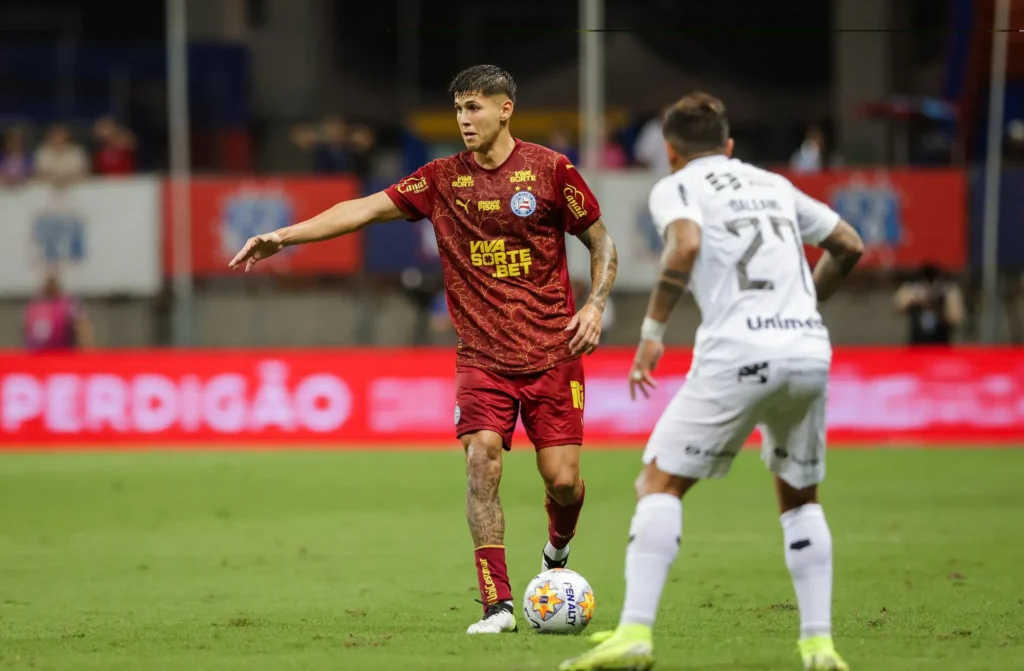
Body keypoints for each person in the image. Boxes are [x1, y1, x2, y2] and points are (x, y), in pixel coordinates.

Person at [229, 65, 618, 635]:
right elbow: (362, 208)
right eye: (459, 109)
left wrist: (596, 305)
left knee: (562, 481)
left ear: (505, 108)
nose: (464, 119)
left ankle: (556, 552)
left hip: (553, 353)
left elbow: (601, 241)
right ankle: (497, 605)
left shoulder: (550, 170)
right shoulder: (440, 179)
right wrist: (283, 237)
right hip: (481, 358)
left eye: (474, 107)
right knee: (481, 459)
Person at [560, 92, 864, 671]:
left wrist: (652, 331)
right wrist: (805, 303)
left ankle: (634, 634)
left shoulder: (677, 186)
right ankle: (819, 646)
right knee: (800, 498)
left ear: (671, 151)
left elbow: (686, 243)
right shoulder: (775, 184)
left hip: (738, 351)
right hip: (807, 349)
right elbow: (849, 244)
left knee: (658, 483)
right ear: (728, 144)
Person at [893, 263, 965, 346]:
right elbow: (898, 305)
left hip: (940, 341)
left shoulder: (948, 290)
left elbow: (956, 316)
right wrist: (917, 301)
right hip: (917, 342)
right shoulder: (912, 289)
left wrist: (940, 307)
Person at [23, 272, 94, 352]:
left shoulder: (68, 303)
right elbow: (27, 331)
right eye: (47, 282)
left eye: (52, 283)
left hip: (61, 353)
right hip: (36, 354)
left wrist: (87, 349)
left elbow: (83, 326)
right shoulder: (35, 305)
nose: (49, 286)